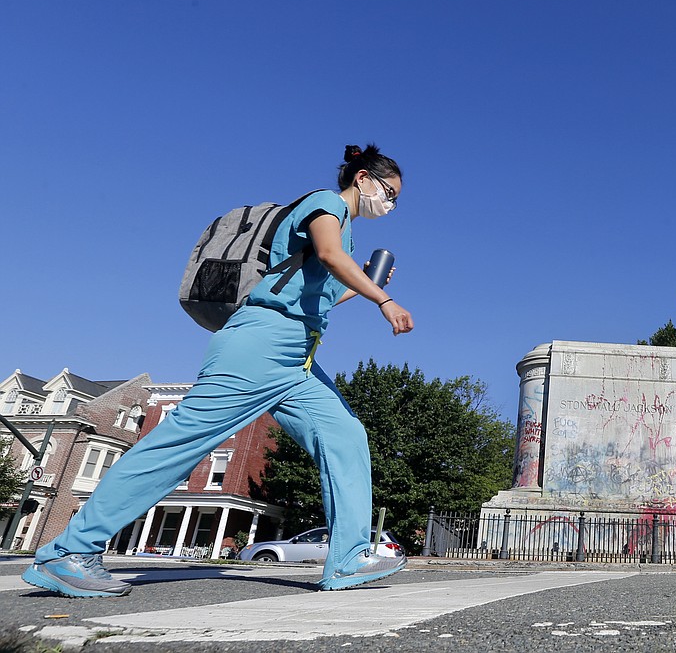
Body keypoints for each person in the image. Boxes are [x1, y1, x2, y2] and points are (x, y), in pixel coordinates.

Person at [23, 144, 414, 597]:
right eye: (389, 192)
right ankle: (68, 552)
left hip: (296, 357)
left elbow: (317, 298)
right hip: (259, 346)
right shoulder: (326, 204)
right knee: (179, 444)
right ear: (362, 179)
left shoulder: (345, 238)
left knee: (346, 436)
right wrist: (382, 300)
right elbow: (327, 254)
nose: (390, 204)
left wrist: (367, 281)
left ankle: (347, 558)